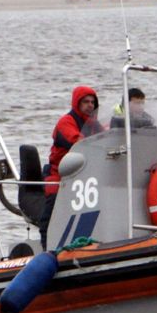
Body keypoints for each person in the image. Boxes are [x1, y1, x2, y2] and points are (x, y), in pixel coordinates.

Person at [41, 85, 104, 228]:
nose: (90, 105)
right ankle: (47, 242)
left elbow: (105, 137)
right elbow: (78, 143)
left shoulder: (94, 124)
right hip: (60, 173)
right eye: (86, 102)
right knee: (50, 215)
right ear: (77, 103)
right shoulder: (66, 122)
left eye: (92, 102)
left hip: (85, 174)